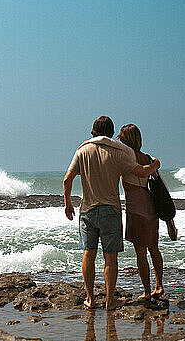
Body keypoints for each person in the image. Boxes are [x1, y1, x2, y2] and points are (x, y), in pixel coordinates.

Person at [63, 116, 160, 311]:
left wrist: (67, 203)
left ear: (93, 130)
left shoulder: (82, 150)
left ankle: (90, 299)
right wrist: (155, 165)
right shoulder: (118, 152)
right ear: (111, 131)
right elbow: (141, 172)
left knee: (88, 255)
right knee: (110, 257)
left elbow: (67, 179)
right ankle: (109, 301)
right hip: (111, 210)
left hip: (87, 210)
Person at [117, 123, 177, 300]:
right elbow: (161, 187)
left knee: (141, 254)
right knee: (154, 249)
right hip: (151, 210)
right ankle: (159, 286)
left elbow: (140, 174)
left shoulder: (125, 159)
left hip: (136, 211)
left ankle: (147, 291)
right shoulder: (150, 159)